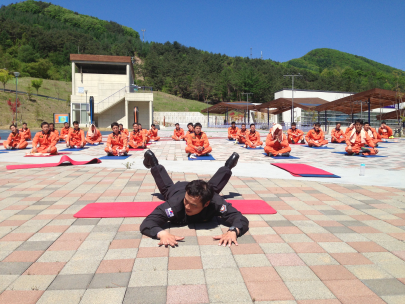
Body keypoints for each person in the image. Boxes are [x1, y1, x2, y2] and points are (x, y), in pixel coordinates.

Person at [140, 150, 248, 247]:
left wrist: (233, 231)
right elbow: (148, 222)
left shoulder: (215, 202)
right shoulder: (173, 205)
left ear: (206, 204)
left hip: (203, 191)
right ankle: (154, 163)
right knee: (167, 188)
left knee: (213, 188)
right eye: (186, 201)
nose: (187, 206)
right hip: (177, 191)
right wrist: (161, 233)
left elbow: (239, 217)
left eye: (193, 205)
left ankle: (228, 167)